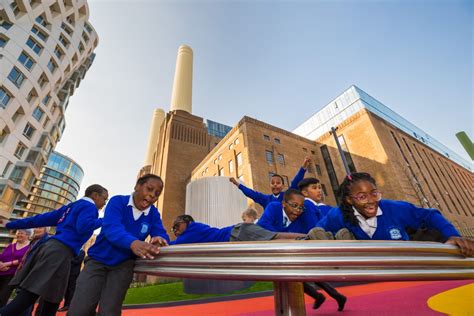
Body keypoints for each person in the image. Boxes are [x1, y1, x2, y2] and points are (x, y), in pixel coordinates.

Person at [68, 174, 170, 316]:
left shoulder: (153, 213)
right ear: (137, 186)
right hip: (98, 261)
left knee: (110, 311)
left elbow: (160, 232)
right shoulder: (118, 202)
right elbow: (112, 229)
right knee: (80, 310)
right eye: (149, 189)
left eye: (157, 194)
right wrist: (132, 242)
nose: (152, 195)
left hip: (123, 265)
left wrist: (159, 238)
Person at [0, 184, 108, 316]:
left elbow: (40, 219)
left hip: (56, 251)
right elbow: (84, 227)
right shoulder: (89, 207)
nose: (104, 203)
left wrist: (11, 224)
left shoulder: (70, 207)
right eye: (104, 199)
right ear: (95, 195)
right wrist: (104, 220)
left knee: (53, 297)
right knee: (30, 294)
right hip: (59, 252)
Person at [309, 172, 474, 257]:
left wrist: (452, 235)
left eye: (374, 193)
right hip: (364, 276)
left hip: (402, 269)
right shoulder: (337, 215)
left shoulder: (393, 208)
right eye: (362, 196)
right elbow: (317, 233)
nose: (371, 200)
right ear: (349, 200)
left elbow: (429, 215)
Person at [257, 189, 346, 311]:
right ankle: (327, 296)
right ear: (284, 204)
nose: (297, 211)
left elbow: (304, 233)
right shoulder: (273, 207)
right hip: (273, 249)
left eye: (301, 207)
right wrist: (286, 236)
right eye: (294, 206)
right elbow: (263, 227)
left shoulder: (300, 217)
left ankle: (329, 296)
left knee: (299, 274)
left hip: (288, 249)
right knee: (294, 275)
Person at [229, 157, 311, 208]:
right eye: (272, 183)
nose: (275, 184)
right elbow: (251, 193)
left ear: (282, 186)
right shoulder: (266, 199)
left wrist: (303, 168)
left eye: (278, 183)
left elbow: (295, 183)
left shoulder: (287, 196)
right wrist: (238, 184)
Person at [170, 214, 306, 245]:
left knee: (274, 238)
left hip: (238, 233)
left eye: (176, 226)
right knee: (274, 240)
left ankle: (308, 237)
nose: (175, 231)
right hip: (238, 233)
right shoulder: (194, 230)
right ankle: (307, 238)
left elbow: (172, 245)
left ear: (186, 222)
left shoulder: (192, 229)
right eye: (172, 229)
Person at [0, 229, 32, 307]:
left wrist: (8, 264)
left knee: (2, 297)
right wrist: (1, 264)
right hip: (1, 272)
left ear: (28, 235)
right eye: (18, 233)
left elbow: (25, 260)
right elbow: (2, 256)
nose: (19, 235)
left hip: (12, 276)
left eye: (22, 233)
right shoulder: (11, 245)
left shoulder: (29, 248)